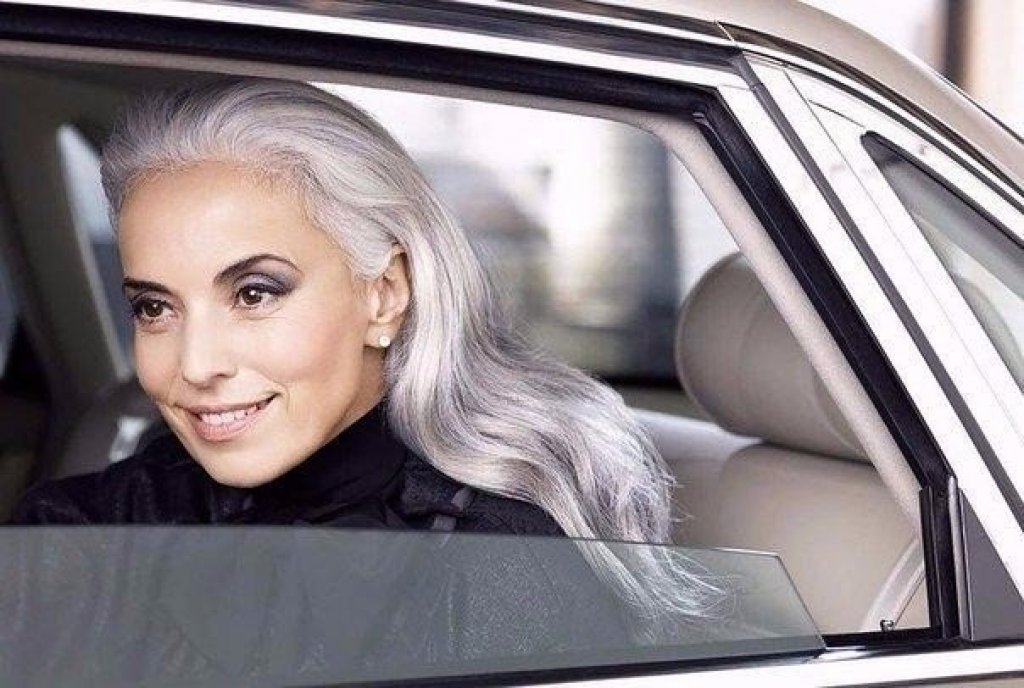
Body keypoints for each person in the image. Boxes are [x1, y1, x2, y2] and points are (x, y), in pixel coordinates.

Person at [8, 78, 717, 618]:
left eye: (254, 293)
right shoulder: (110, 517)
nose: (195, 365)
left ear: (384, 294)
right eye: (155, 307)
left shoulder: (500, 562)